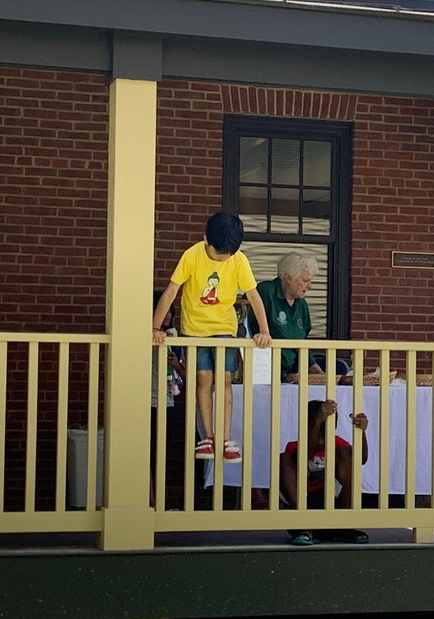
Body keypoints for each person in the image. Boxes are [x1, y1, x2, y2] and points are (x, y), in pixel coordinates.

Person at [153, 212, 272, 463]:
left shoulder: (239, 260)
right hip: (194, 329)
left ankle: (226, 438)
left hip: (224, 329)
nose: (221, 258)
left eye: (227, 254)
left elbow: (253, 295)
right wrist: (155, 327)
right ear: (205, 239)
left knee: (225, 380)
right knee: (204, 379)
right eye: (218, 253)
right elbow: (172, 291)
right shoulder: (192, 255)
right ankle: (208, 436)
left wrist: (264, 330)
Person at [280, 399, 369, 546]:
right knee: (284, 458)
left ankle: (346, 526)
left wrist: (362, 431)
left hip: (334, 508)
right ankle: (304, 526)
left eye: (325, 437)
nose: (321, 442)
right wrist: (317, 420)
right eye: (318, 436)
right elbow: (302, 455)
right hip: (304, 510)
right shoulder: (294, 446)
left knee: (346, 453)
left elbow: (362, 459)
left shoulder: (337, 443)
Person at [248, 251, 348, 380]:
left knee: (339, 368)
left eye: (311, 281)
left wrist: (318, 372)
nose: (310, 286)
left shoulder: (301, 305)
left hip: (289, 374)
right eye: (305, 281)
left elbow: (302, 345)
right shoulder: (266, 291)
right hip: (261, 372)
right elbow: (245, 328)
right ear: (288, 278)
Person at [150, 290, 187, 506]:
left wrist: (175, 363)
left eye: (169, 311)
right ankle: (150, 502)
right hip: (148, 401)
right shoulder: (144, 337)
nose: (166, 316)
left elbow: (187, 376)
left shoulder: (175, 338)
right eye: (161, 310)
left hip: (169, 402)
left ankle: (160, 503)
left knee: (164, 454)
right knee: (148, 455)